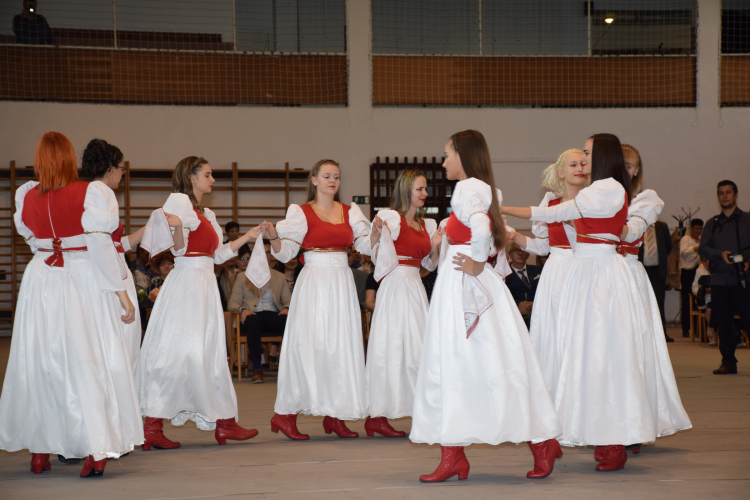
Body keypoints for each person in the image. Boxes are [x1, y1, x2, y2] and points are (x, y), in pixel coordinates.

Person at [503, 133, 689, 471]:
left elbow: (570, 216)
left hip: (604, 276)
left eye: (587, 154)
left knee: (606, 356)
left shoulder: (609, 190)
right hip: (582, 275)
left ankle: (615, 437)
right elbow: (556, 229)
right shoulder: (594, 191)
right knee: (580, 355)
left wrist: (499, 208)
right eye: (577, 157)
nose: (582, 160)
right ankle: (583, 433)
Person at [411, 130, 561, 483]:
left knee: (472, 364)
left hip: (466, 282)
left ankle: (537, 442)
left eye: (447, 155)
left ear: (463, 155)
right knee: (485, 364)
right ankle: (459, 454)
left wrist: (477, 261)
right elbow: (488, 228)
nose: (443, 162)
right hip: (467, 281)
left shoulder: (469, 188)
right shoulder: (486, 189)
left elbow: (481, 226)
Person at [0, 132, 141, 477]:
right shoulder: (91, 192)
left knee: (44, 364)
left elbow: (33, 241)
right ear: (68, 157)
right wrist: (121, 293)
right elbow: (101, 247)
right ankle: (96, 450)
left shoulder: (26, 195)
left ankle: (40, 451)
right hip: (82, 281)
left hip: (41, 282)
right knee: (89, 361)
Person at [140, 156, 261, 449]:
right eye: (207, 174)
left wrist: (248, 235)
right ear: (192, 177)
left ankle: (225, 423)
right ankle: (152, 426)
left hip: (204, 283)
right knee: (177, 352)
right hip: (187, 284)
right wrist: (179, 226)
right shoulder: (179, 202)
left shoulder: (207, 213)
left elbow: (217, 255)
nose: (213, 180)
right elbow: (178, 250)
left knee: (210, 351)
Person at [260, 159, 372, 440]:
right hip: (314, 283)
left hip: (342, 282)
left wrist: (378, 233)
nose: (332, 180)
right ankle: (285, 414)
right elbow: (286, 254)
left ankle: (336, 415)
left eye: (336, 176)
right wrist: (273, 237)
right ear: (314, 180)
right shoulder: (300, 212)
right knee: (309, 346)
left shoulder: (350, 211)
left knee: (341, 346)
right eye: (326, 176)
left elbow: (366, 245)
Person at [616, 143, 691, 451]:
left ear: (636, 170)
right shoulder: (595, 196)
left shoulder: (644, 199)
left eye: (628, 165)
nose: (622, 170)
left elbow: (631, 233)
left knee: (635, 350)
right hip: (601, 278)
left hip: (629, 277)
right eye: (617, 164)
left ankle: (636, 424)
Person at [367, 170, 440, 437]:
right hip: (395, 286)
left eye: (425, 189)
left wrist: (436, 246)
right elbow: (374, 255)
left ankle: (424, 410)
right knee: (392, 347)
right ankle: (378, 415)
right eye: (420, 189)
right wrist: (375, 234)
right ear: (406, 190)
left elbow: (428, 264)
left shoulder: (426, 225)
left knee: (418, 349)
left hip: (415, 286)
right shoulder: (390, 218)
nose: (425, 193)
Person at [507, 148, 584, 399]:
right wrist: (515, 237)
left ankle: (578, 390)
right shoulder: (550, 202)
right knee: (553, 332)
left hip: (583, 270)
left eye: (582, 164)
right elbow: (542, 247)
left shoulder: (593, 201)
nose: (579, 168)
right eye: (573, 165)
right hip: (556, 272)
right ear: (561, 172)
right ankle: (553, 392)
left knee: (579, 331)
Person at [80, 138, 154, 387]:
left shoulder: (90, 191)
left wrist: (148, 228)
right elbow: (102, 244)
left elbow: (114, 243)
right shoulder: (102, 192)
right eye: (122, 168)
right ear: (111, 168)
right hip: (112, 277)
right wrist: (121, 292)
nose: (123, 174)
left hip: (108, 271)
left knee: (115, 341)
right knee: (121, 342)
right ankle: (122, 399)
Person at [699, 180, 750, 375]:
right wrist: (720, 254)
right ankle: (728, 362)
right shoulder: (712, 223)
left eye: (728, 192)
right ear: (718, 196)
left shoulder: (747, 220)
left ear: (735, 195)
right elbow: (703, 248)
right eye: (721, 193)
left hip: (744, 279)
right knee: (724, 324)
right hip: (720, 280)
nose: (725, 196)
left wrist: (748, 261)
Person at [228, 242, 291, 384]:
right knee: (252, 320)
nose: (265, 255)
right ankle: (257, 367)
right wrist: (242, 309)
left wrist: (287, 308)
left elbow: (289, 301)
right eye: (262, 252)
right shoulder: (243, 277)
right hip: (252, 316)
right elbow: (232, 304)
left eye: (268, 252)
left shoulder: (280, 277)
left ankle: (290, 367)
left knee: (287, 320)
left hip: (273, 316)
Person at [639, 207, 673, 337]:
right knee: (642, 302)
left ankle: (661, 334)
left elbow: (668, 247)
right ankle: (644, 335)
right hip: (642, 271)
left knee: (659, 303)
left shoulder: (662, 227)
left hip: (658, 272)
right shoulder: (637, 226)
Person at [504, 242, 541, 329]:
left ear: (528, 254)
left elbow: (546, 292)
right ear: (510, 254)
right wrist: (518, 304)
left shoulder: (539, 270)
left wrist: (536, 303)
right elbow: (501, 296)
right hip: (515, 319)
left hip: (538, 317)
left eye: (523, 250)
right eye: (516, 250)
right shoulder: (504, 274)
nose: (520, 253)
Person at [680, 219, 704, 337]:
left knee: (698, 299)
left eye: (700, 229)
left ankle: (697, 329)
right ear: (691, 228)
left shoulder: (702, 240)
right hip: (687, 272)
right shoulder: (686, 239)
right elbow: (683, 253)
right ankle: (686, 328)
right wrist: (696, 248)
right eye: (696, 228)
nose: (698, 231)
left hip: (698, 271)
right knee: (686, 300)